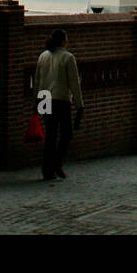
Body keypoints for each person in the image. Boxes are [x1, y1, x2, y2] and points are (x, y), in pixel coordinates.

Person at [34, 28, 84, 181]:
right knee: (66, 134)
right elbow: (74, 83)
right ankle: (57, 163)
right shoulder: (68, 58)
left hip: (44, 98)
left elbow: (37, 80)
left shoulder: (43, 56)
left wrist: (36, 103)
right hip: (60, 99)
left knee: (50, 135)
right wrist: (79, 104)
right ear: (63, 41)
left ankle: (47, 169)